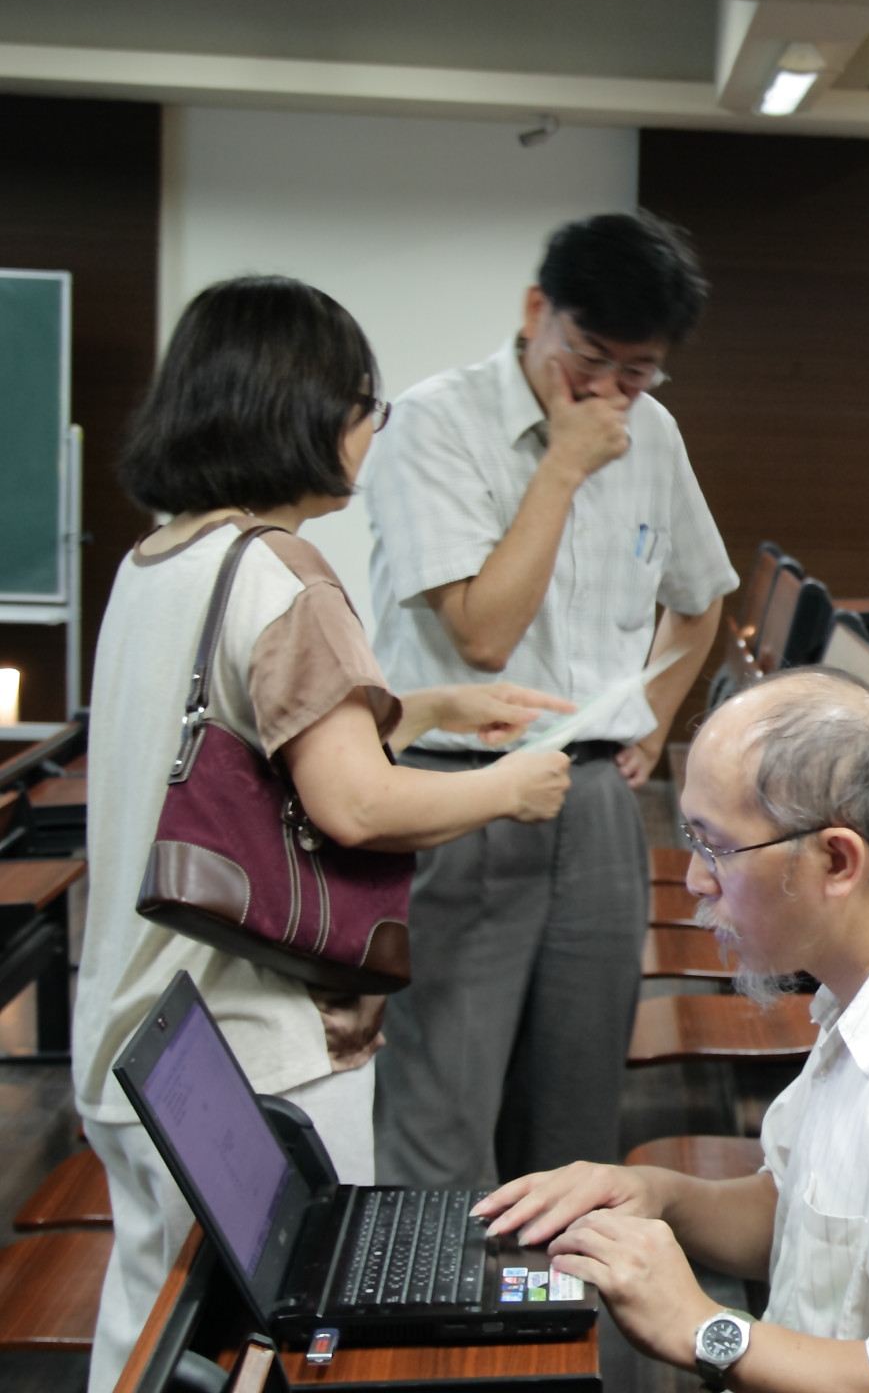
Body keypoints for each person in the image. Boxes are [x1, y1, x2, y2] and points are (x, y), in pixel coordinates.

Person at [77, 276, 575, 1393]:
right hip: (254, 1055)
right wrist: (512, 790)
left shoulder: (160, 560)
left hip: (136, 1033)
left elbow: (240, 744)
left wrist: (428, 709)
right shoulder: (285, 574)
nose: (370, 430)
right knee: (288, 1349)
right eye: (365, 404)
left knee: (150, 1335)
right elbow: (353, 805)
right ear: (301, 409)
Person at [476, 668, 869, 1393]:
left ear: (836, 860)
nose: (696, 880)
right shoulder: (867, 991)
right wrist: (653, 1193)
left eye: (717, 847)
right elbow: (799, 1213)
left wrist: (700, 1328)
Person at [365, 211, 739, 1186]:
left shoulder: (653, 433)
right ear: (537, 311)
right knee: (444, 1114)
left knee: (575, 1115)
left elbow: (701, 600)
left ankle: (546, 1288)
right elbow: (481, 633)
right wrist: (565, 464)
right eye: (591, 358)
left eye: (639, 372)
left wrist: (652, 723)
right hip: (460, 799)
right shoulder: (434, 424)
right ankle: (432, 1289)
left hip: (597, 801)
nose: (610, 392)